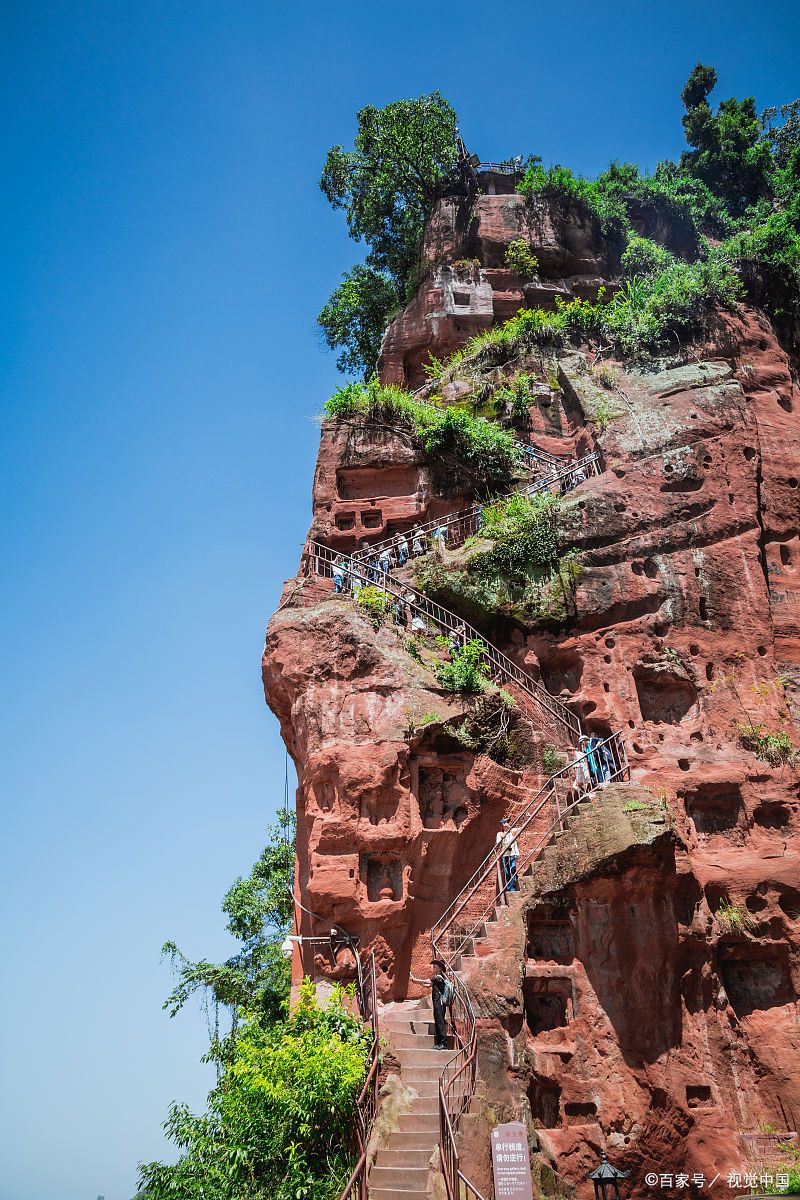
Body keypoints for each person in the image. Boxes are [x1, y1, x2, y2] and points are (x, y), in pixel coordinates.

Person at [410, 958, 452, 1050]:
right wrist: (416, 982)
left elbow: (428, 982)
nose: (433, 967)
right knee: (438, 1021)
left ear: (440, 968)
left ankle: (443, 1044)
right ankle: (440, 1043)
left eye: (435, 966)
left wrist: (416, 979)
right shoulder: (437, 978)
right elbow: (428, 985)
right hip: (437, 1003)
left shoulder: (439, 977)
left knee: (440, 1022)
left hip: (439, 1003)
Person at [496, 818, 521, 893]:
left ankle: (512, 887)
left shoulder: (512, 831)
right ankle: (510, 887)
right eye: (507, 822)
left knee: (512, 868)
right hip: (506, 853)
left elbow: (521, 828)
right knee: (507, 871)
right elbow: (497, 844)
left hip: (513, 852)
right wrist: (502, 837)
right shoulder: (500, 834)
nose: (509, 823)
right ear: (503, 824)